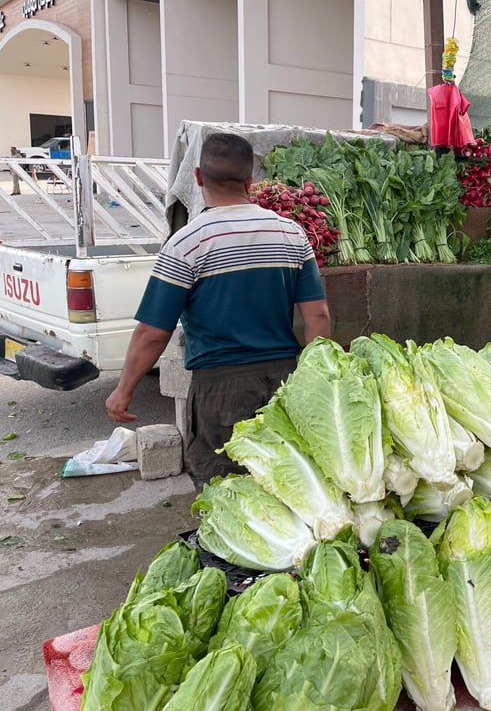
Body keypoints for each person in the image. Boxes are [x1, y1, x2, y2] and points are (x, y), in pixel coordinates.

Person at [106, 132, 331, 483]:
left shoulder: (186, 244)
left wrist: (124, 390)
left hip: (221, 391)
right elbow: (317, 316)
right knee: (289, 488)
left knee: (226, 495)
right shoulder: (290, 234)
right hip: (287, 382)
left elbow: (153, 332)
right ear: (250, 181)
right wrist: (313, 378)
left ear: (198, 178)